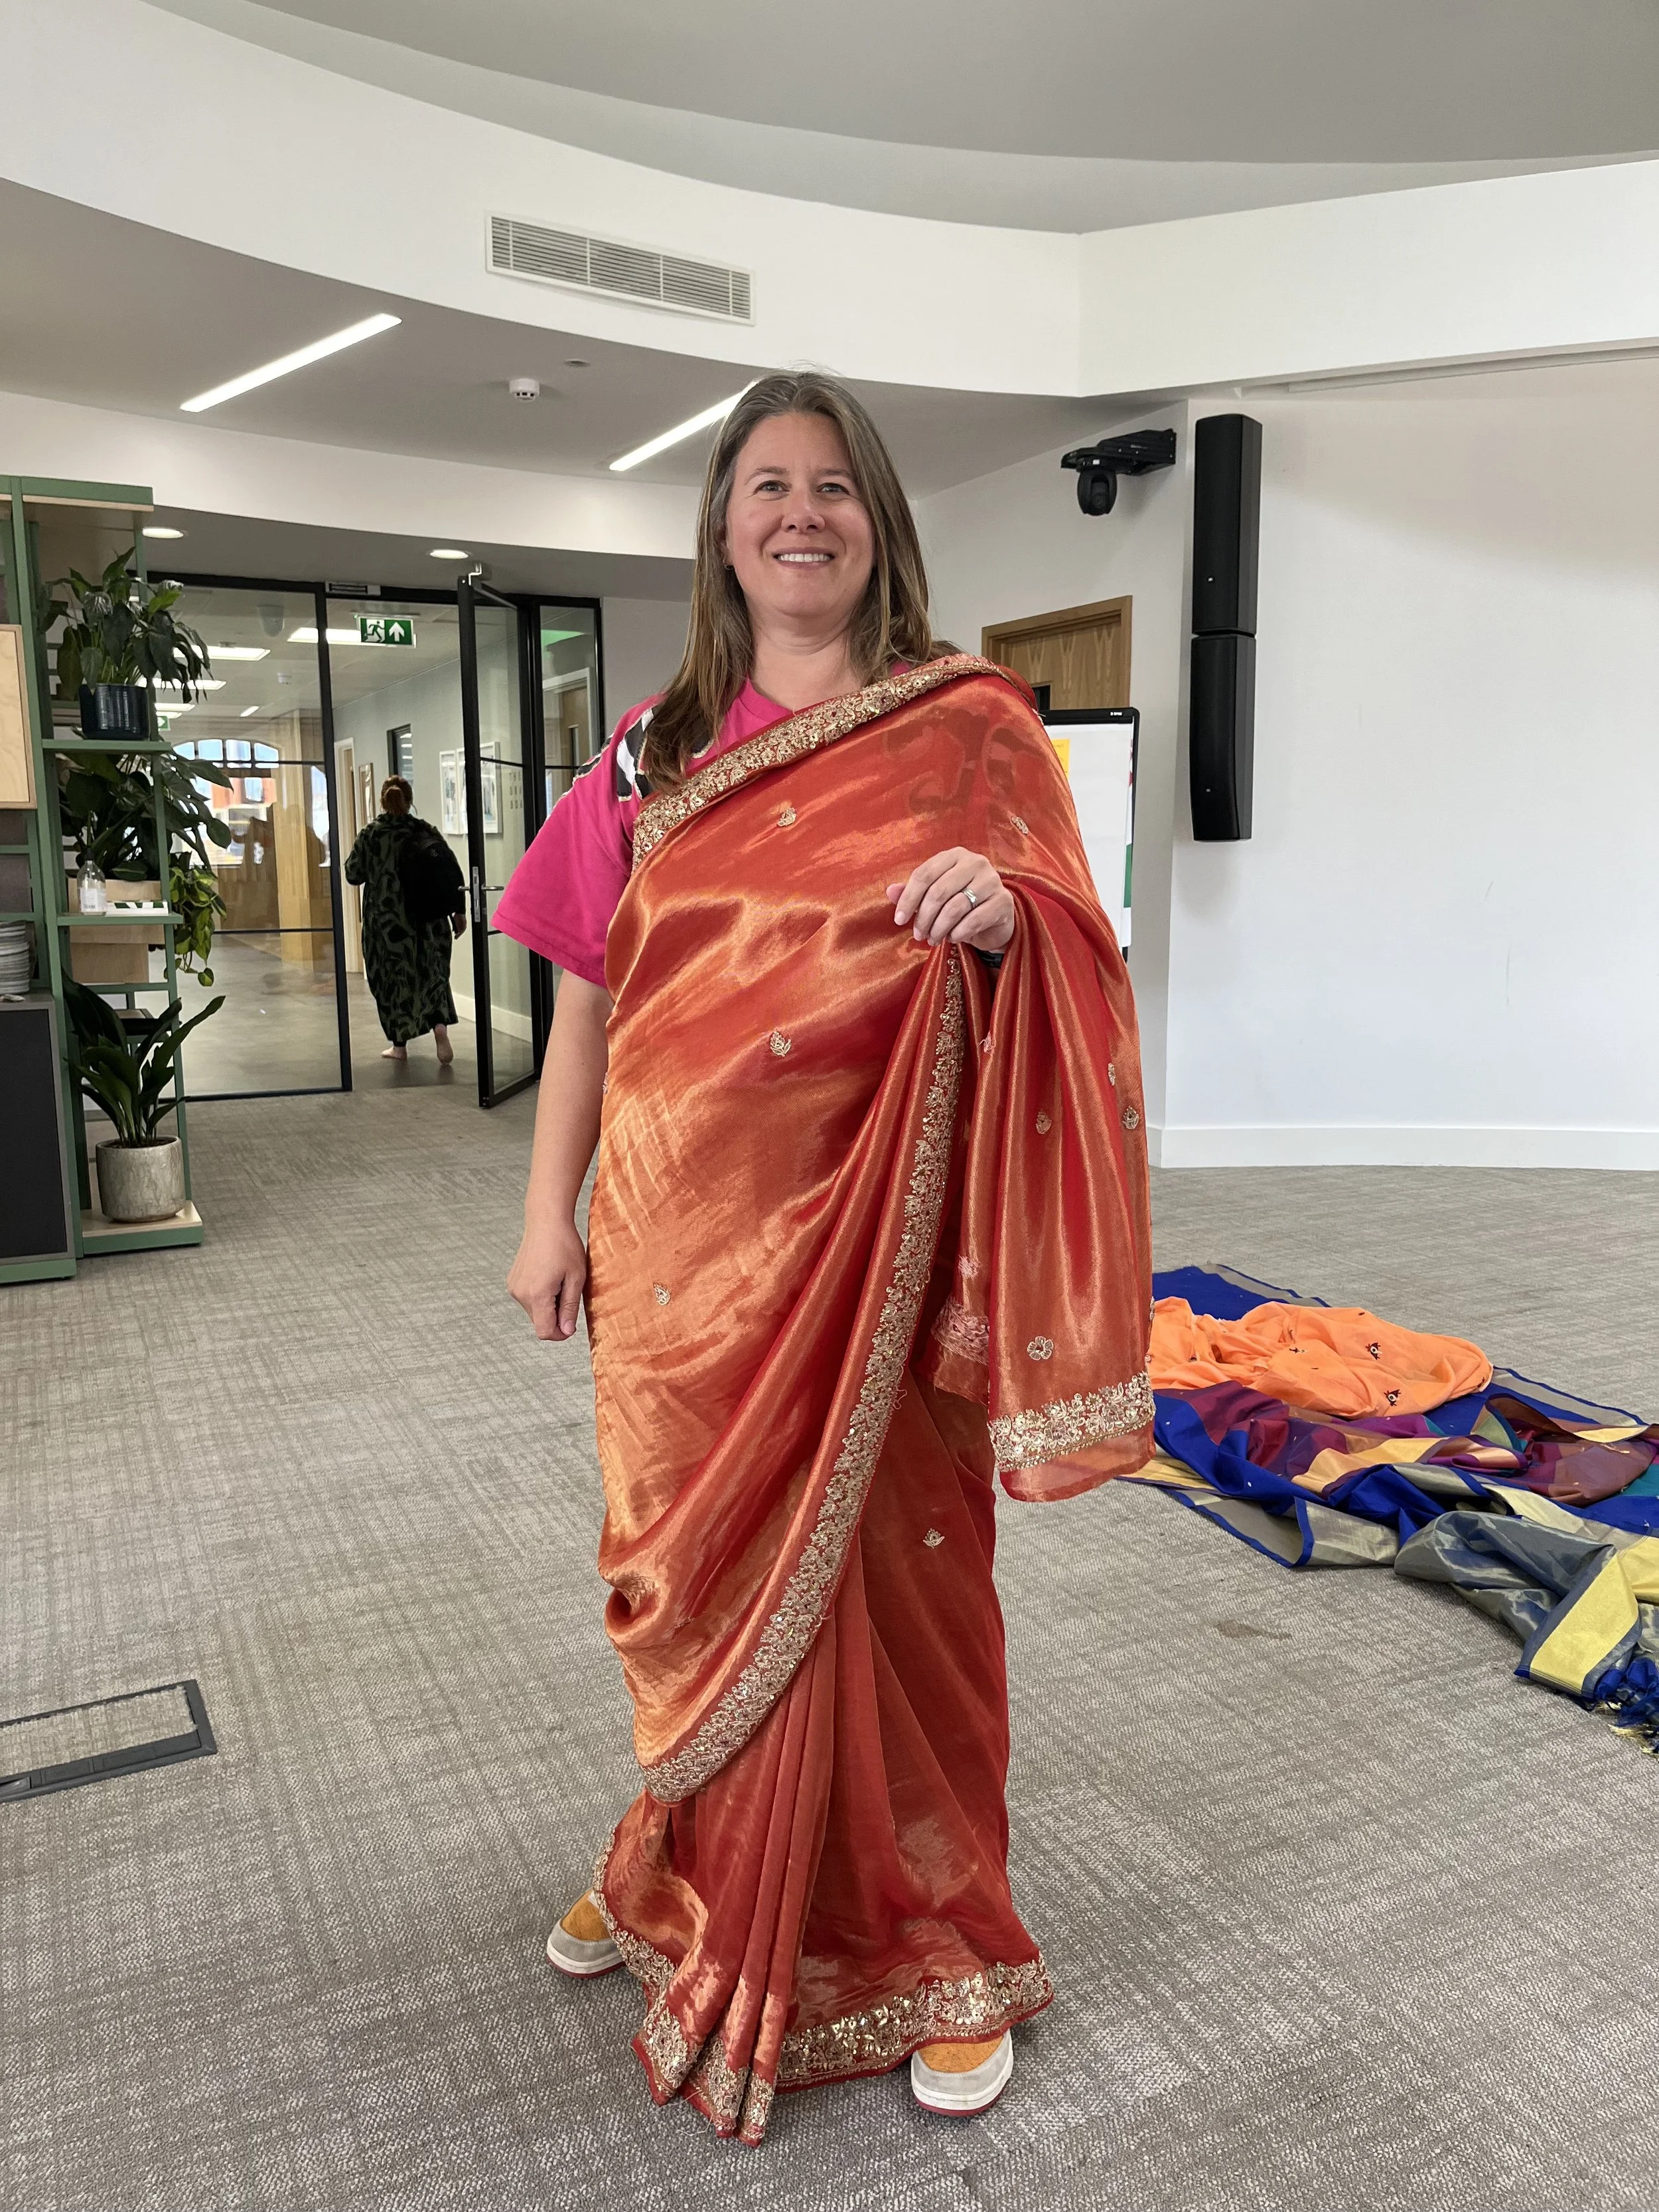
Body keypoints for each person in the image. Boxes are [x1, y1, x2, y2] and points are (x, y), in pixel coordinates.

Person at [495, 371, 1153, 2144]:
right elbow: (584, 1009)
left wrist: (1008, 916)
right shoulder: (642, 758)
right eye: (769, 486)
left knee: (905, 1594)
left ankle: (939, 1939)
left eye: (836, 487)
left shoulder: (968, 731)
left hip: (877, 1259)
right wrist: (544, 1211)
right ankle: (677, 1880)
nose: (803, 513)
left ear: (881, 525)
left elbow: (1079, 958)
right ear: (721, 528)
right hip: (673, 1258)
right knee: (695, 1600)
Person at [343, 774, 463, 1064]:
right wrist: (459, 912)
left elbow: (353, 874)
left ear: (383, 801)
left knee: (392, 980)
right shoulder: (425, 830)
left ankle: (399, 1046)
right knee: (432, 974)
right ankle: (439, 1027)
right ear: (410, 801)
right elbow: (450, 871)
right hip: (429, 920)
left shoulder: (371, 834)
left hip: (388, 924)